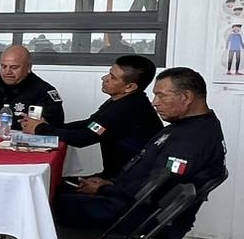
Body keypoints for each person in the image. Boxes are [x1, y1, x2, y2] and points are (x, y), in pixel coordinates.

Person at [53, 67, 227, 239]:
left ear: (186, 97)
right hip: (131, 198)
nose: (154, 102)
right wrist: (110, 183)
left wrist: (104, 189)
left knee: (52, 203)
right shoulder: (188, 125)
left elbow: (157, 188)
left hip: (142, 213)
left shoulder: (192, 139)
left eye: (161, 96)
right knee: (58, 187)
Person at [20, 55, 163, 178]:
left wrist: (41, 128)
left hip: (124, 182)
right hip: (116, 176)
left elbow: (82, 138)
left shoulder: (128, 109)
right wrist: (48, 126)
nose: (104, 78)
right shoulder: (123, 101)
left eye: (112, 77)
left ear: (130, 87)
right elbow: (89, 123)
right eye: (109, 74)